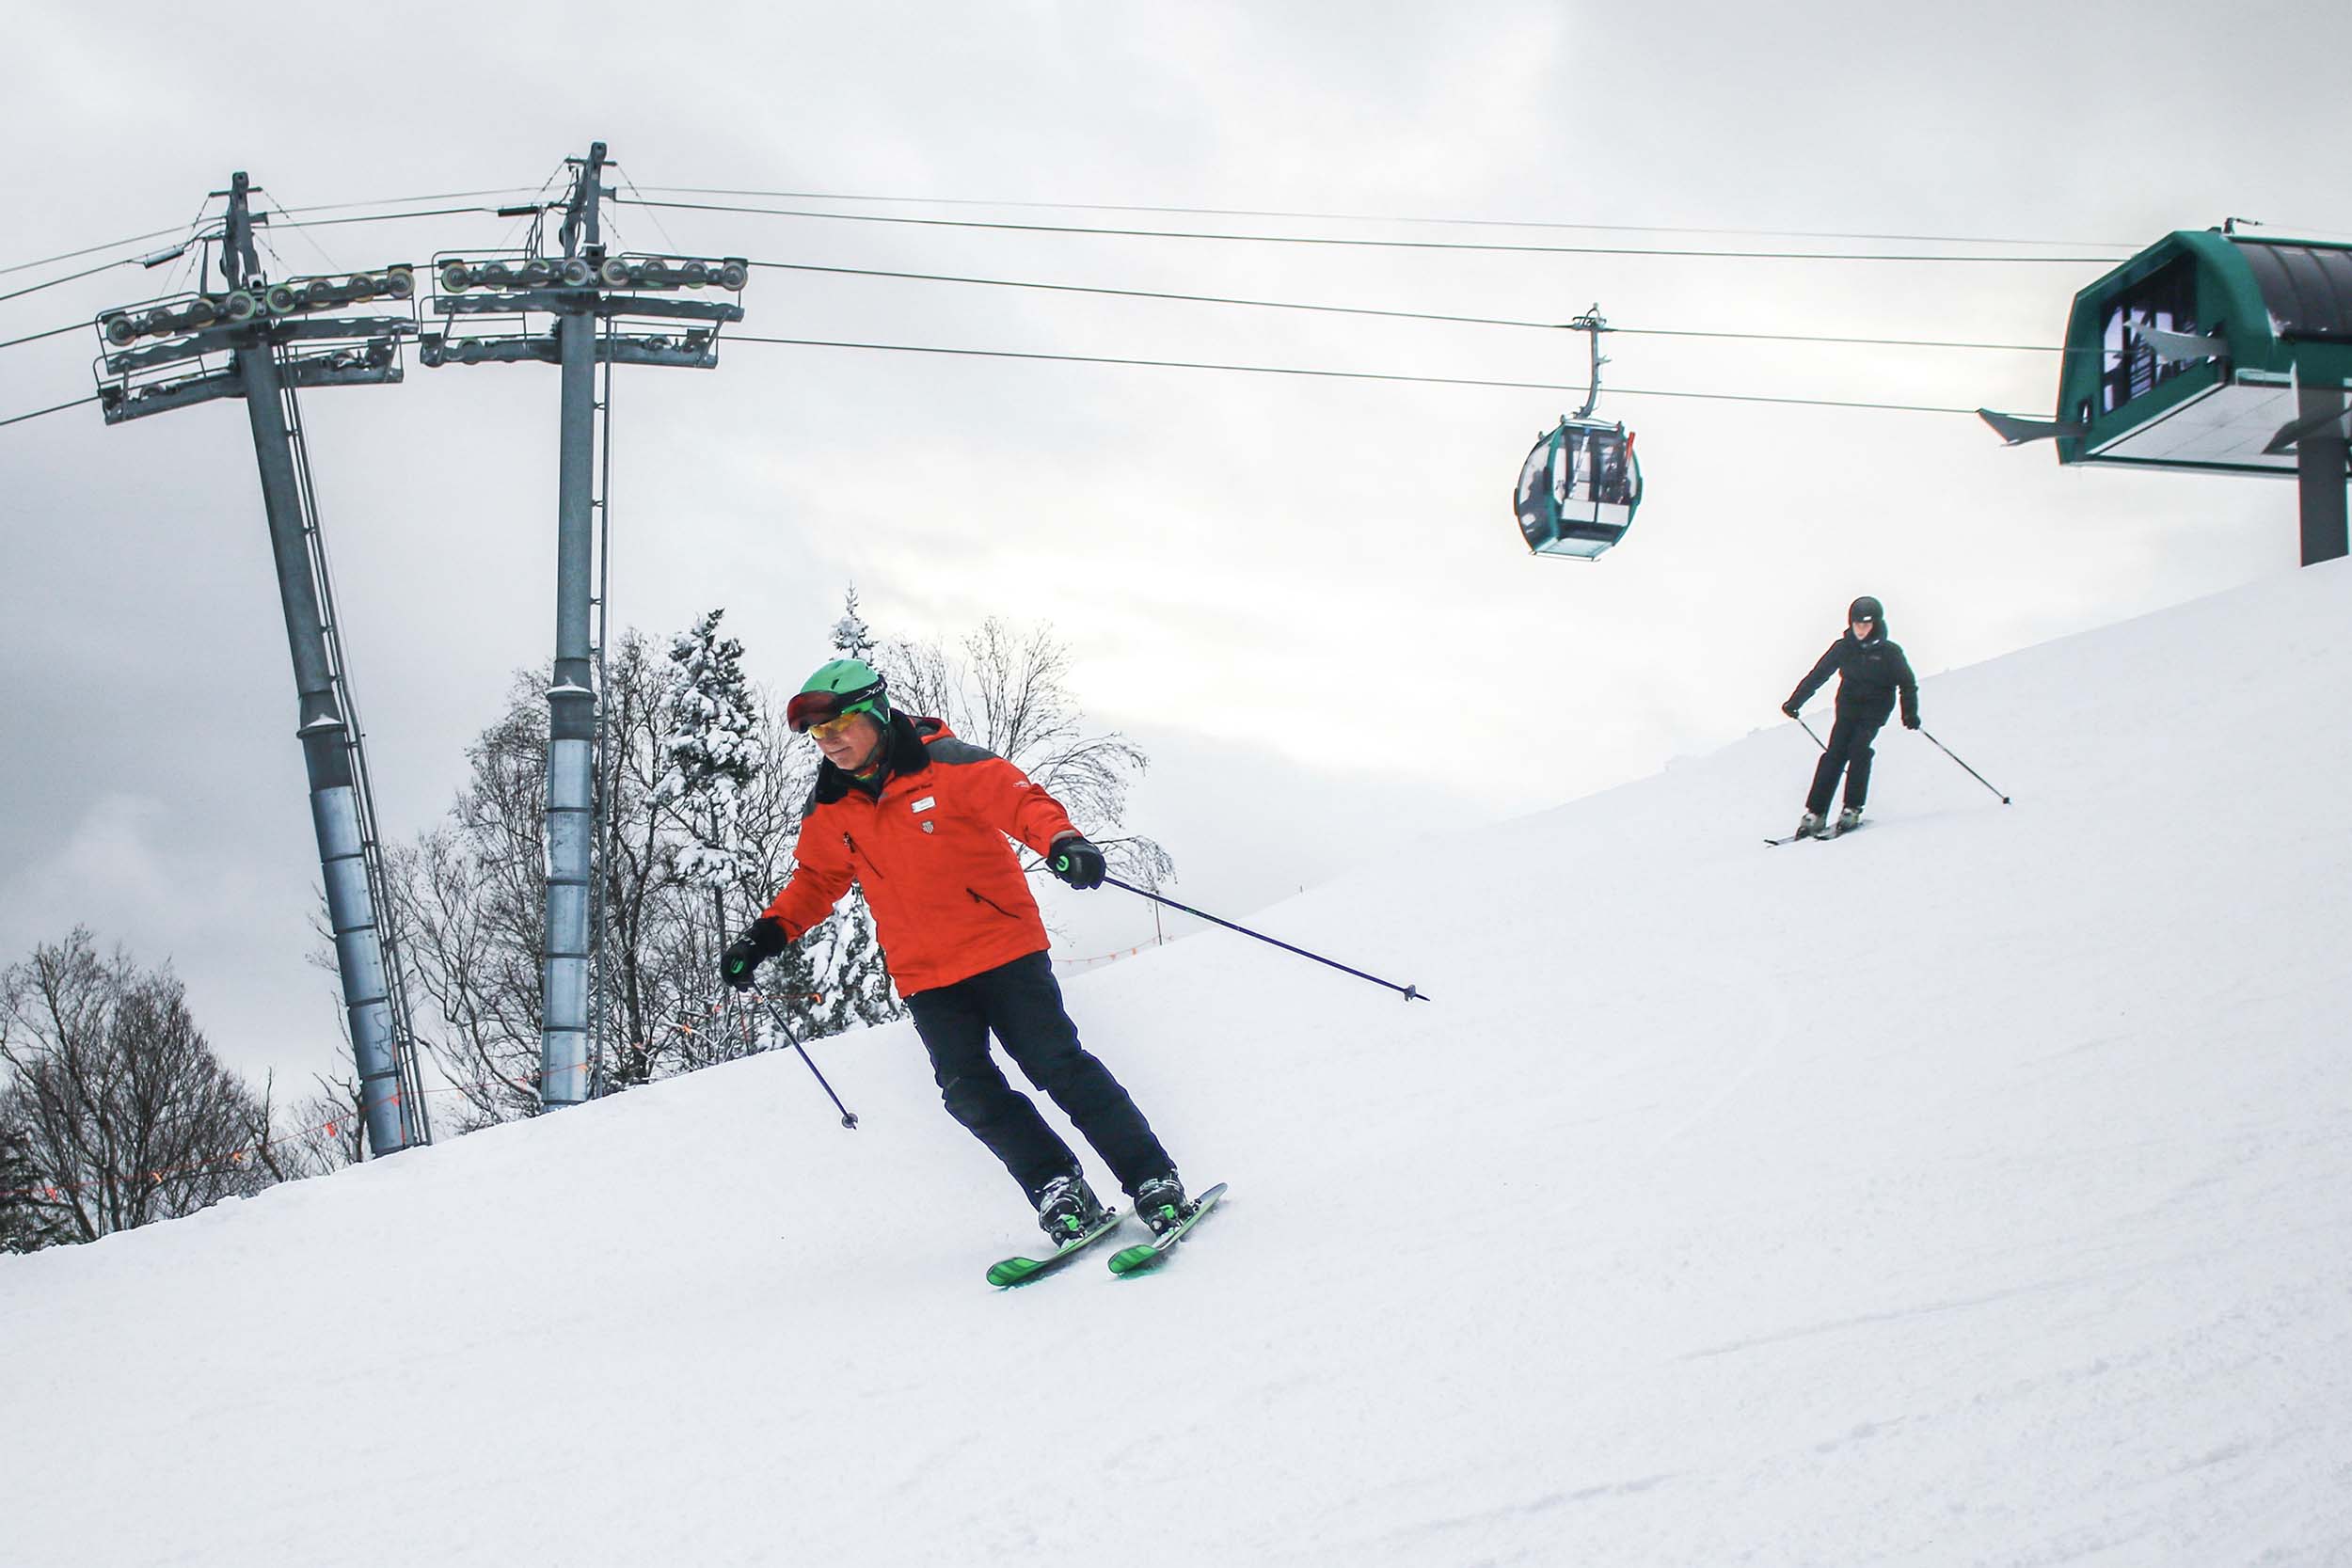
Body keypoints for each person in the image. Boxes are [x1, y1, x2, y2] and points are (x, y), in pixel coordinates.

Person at [720, 658, 1191, 1244]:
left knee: (1057, 1067)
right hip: (926, 974)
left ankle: (1152, 1180)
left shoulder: (948, 764)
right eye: (818, 734)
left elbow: (1023, 802)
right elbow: (816, 881)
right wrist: (764, 937)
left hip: (1003, 947)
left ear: (873, 712)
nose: (829, 741)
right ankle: (1058, 1187)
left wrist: (1064, 841)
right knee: (967, 1091)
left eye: (838, 725)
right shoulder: (831, 808)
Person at [1781, 595, 1919, 838]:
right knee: (1834, 753)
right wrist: (1796, 701)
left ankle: (1852, 808)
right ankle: (1816, 812)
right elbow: (1819, 674)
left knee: (1859, 749)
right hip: (1848, 707)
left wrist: (1909, 713)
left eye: (1866, 625)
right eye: (1857, 625)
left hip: (1875, 709)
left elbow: (1907, 683)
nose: (1861, 630)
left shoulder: (1889, 652)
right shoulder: (1844, 648)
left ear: (1875, 624)